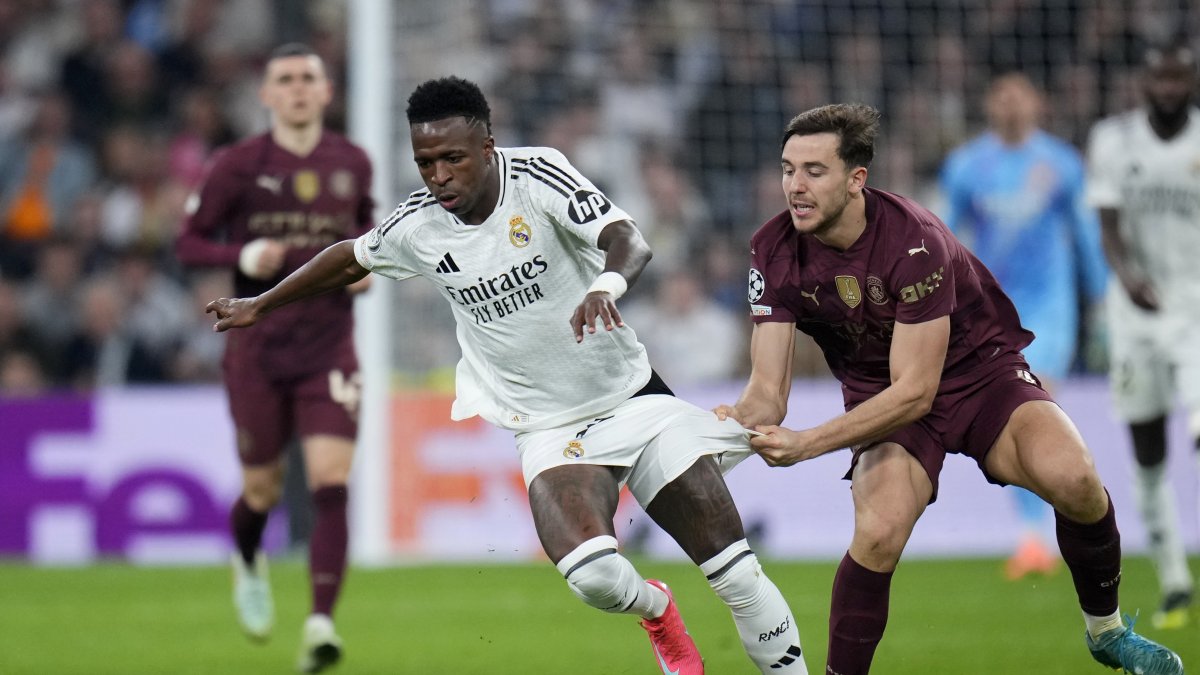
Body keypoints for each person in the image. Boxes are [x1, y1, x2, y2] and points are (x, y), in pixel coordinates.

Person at [207, 75, 809, 675]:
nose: (439, 176)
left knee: (735, 573)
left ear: (487, 146)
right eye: (425, 163)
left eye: (453, 158)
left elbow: (627, 238)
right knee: (595, 576)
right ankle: (657, 611)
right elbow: (349, 258)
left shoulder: (538, 175)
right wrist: (261, 303)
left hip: (633, 399)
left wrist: (604, 285)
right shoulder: (417, 225)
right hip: (548, 427)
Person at [716, 103, 1184, 675]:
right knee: (879, 532)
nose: (795, 186)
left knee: (1076, 479)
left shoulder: (914, 241)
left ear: (856, 178)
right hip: (880, 391)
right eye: (788, 170)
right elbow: (767, 392)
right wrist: (722, 432)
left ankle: (1106, 632)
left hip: (979, 374)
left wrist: (808, 443)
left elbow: (918, 390)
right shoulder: (772, 250)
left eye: (815, 171)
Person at [175, 43, 375, 673]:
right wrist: (240, 256)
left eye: (307, 78)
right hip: (257, 350)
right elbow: (187, 242)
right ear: (266, 95)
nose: (296, 88)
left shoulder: (353, 162)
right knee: (260, 492)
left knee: (331, 483)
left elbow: (370, 241)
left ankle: (320, 624)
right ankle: (248, 557)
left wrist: (369, 272)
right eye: (284, 79)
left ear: (326, 91)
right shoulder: (238, 165)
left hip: (328, 346)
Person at [940, 72, 1109, 581]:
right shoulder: (967, 166)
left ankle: (1047, 530)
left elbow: (1084, 232)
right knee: (1016, 414)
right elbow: (944, 236)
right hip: (994, 307)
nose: (1011, 105)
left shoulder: (1061, 163)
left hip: (1051, 306)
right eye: (1002, 97)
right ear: (990, 104)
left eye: (1019, 96)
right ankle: (1036, 535)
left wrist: (1103, 299)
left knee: (1038, 401)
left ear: (1037, 103)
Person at [1086, 41, 1200, 631]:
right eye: (1161, 77)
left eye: (1179, 77)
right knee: (1148, 454)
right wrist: (1129, 277)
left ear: (1192, 81)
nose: (1169, 88)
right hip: (1135, 314)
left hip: (1196, 309)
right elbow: (1107, 226)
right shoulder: (1113, 140)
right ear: (1145, 81)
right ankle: (1175, 580)